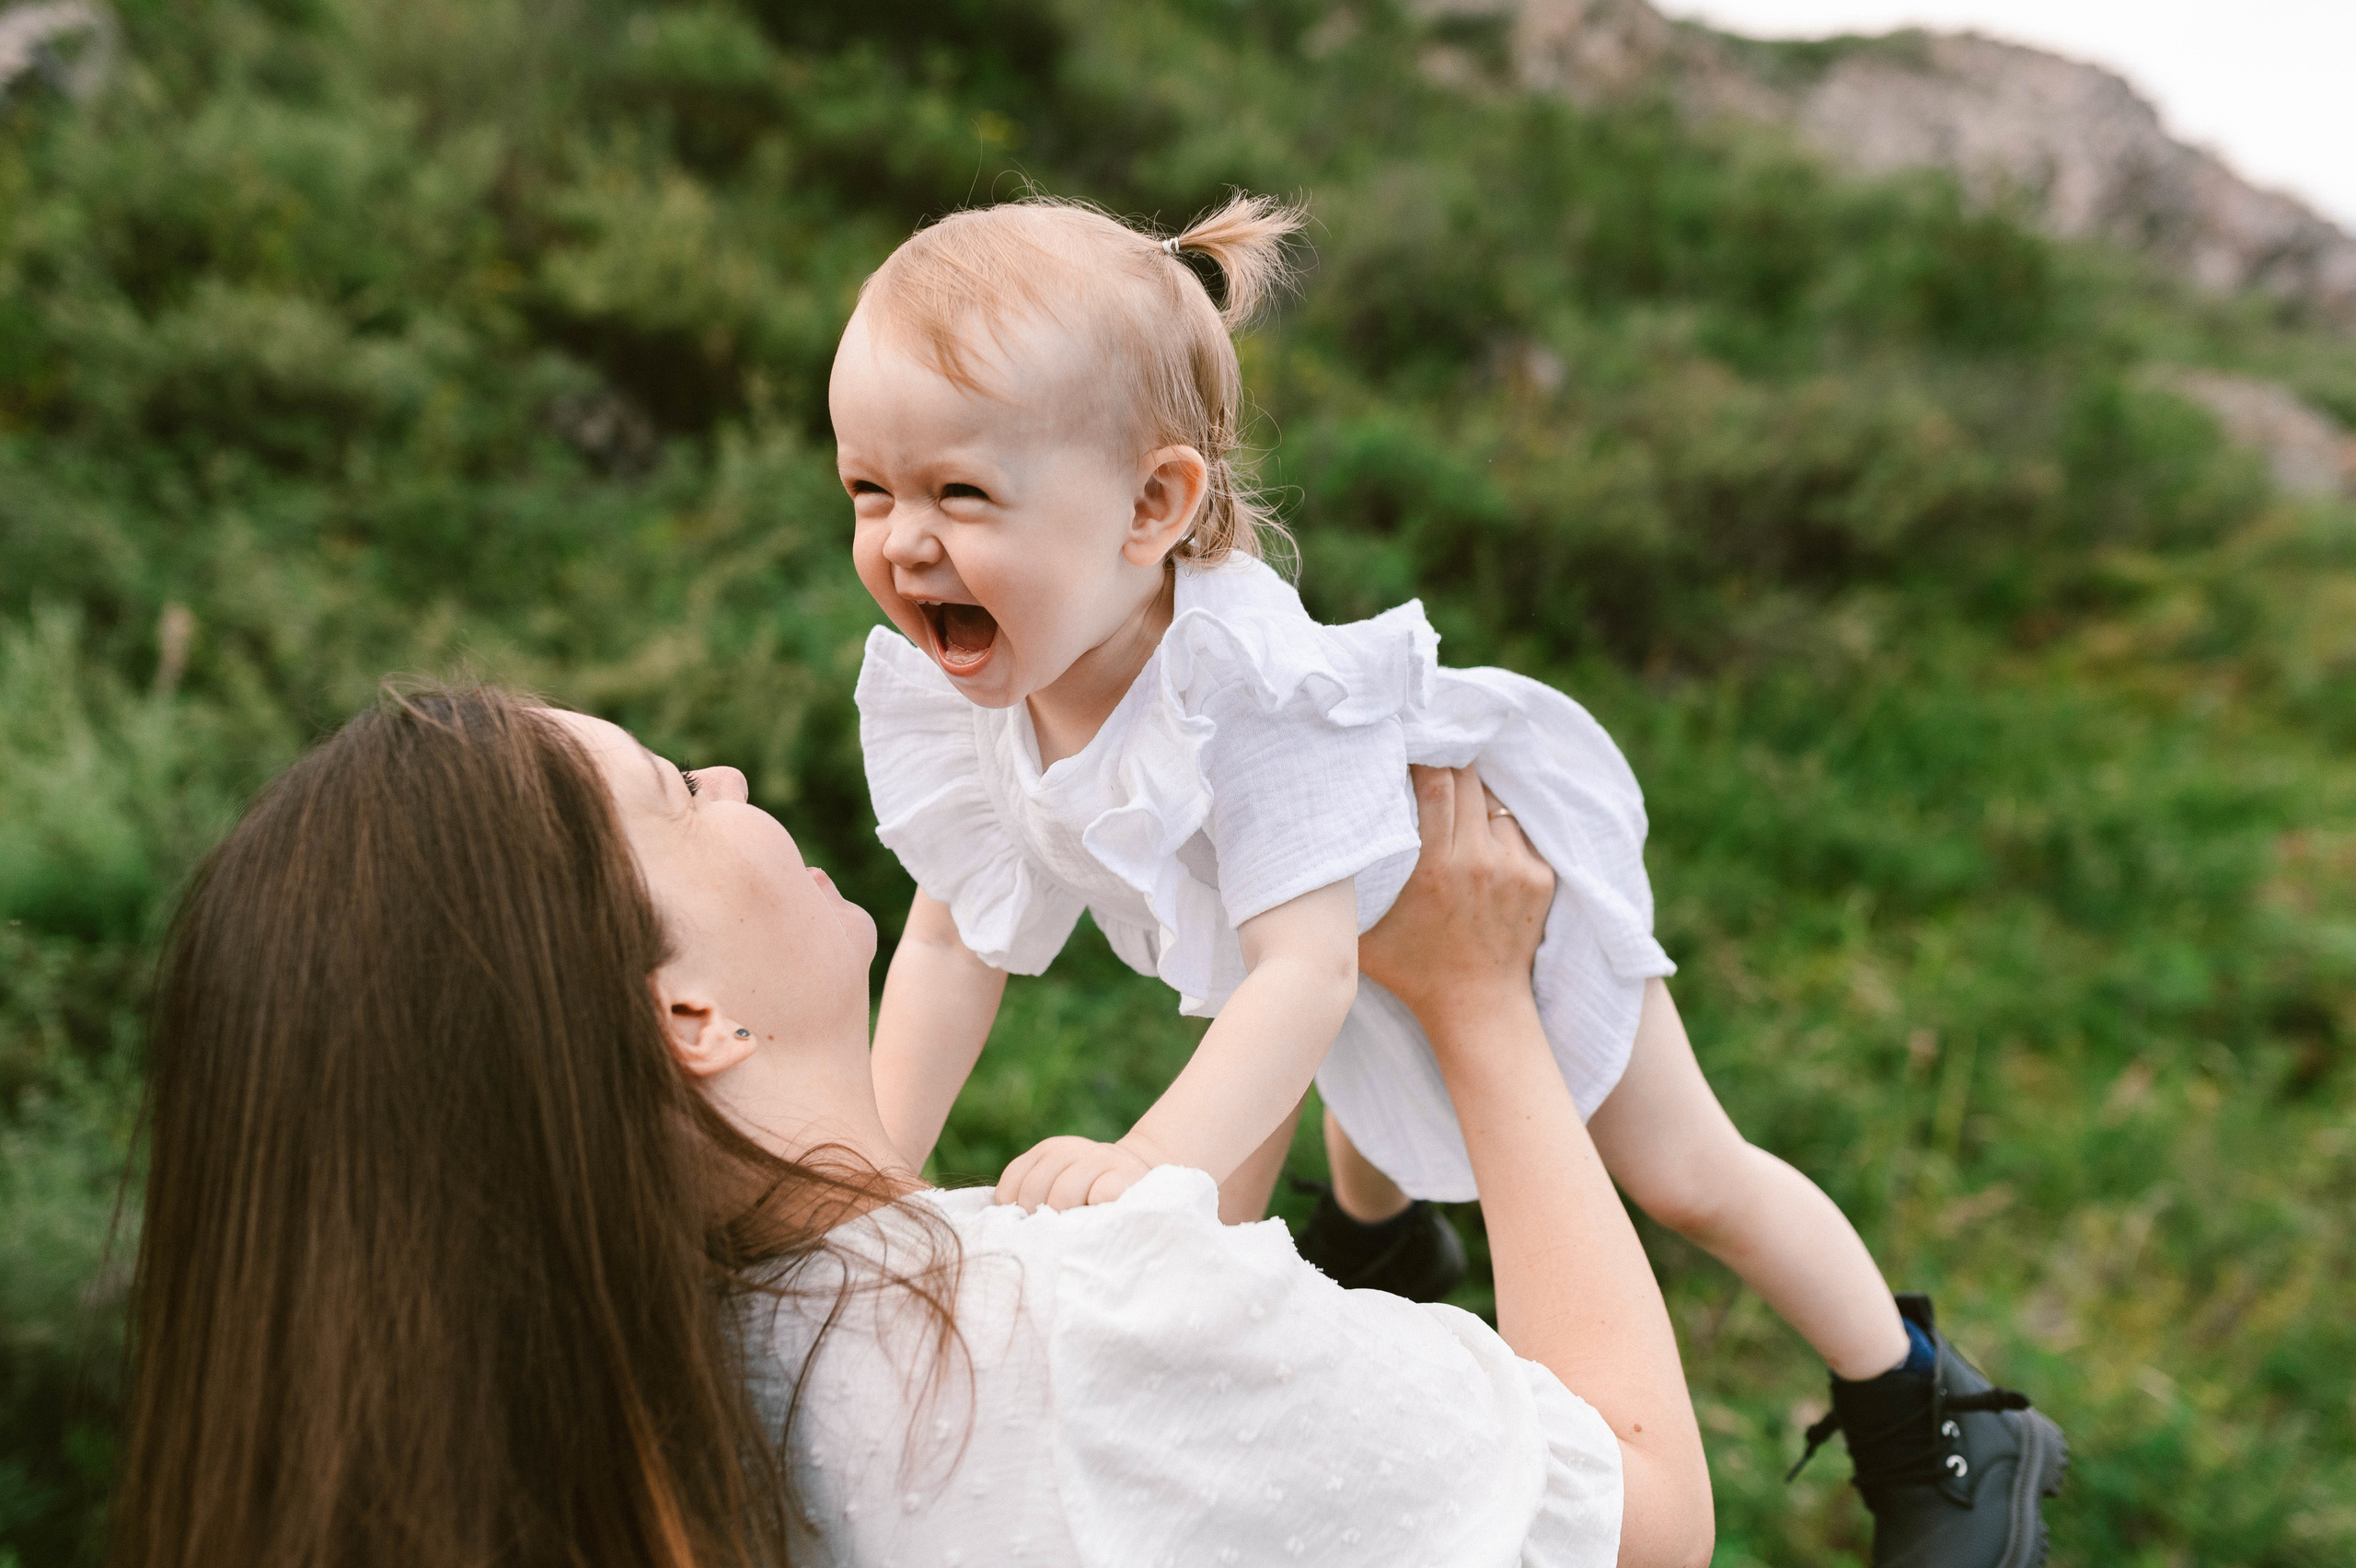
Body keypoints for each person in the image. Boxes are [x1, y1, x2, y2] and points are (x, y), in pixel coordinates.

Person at [832, 192, 2065, 1567]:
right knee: (1314, 1097)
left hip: (1489, 886)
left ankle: (1934, 1414)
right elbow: (951, 946)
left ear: (1152, 505)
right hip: (1319, 954)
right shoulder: (978, 695)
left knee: (1682, 1170)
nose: (904, 542)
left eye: (959, 494)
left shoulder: (1254, 693)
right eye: (868, 491)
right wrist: (854, 1181)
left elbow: (1304, 973)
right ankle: (1377, 1245)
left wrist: (1147, 1169)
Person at [109, 684, 1714, 1568]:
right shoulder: (1065, 1329)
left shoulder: (646, 1400)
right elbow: (1642, 1511)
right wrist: (1481, 1002)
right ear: (688, 1018)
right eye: (675, 792)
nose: (732, 775)